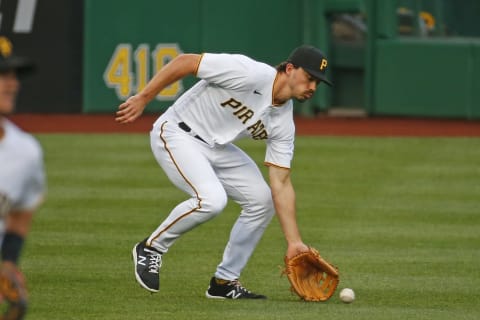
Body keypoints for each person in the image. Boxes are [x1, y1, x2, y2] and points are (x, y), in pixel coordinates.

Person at [116, 44, 332, 299]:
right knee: (212, 201)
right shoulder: (249, 73)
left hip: (217, 147)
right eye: (309, 78)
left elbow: (281, 182)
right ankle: (152, 248)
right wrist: (143, 97)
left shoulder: (283, 121)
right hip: (177, 132)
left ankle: (224, 281)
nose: (312, 88)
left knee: (262, 201)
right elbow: (186, 62)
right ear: (289, 69)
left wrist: (294, 241)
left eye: (317, 83)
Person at [0, 36, 45, 318]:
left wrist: (8, 263)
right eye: (2, 75)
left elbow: (22, 210)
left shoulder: (25, 152)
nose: (12, 83)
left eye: (14, 75)